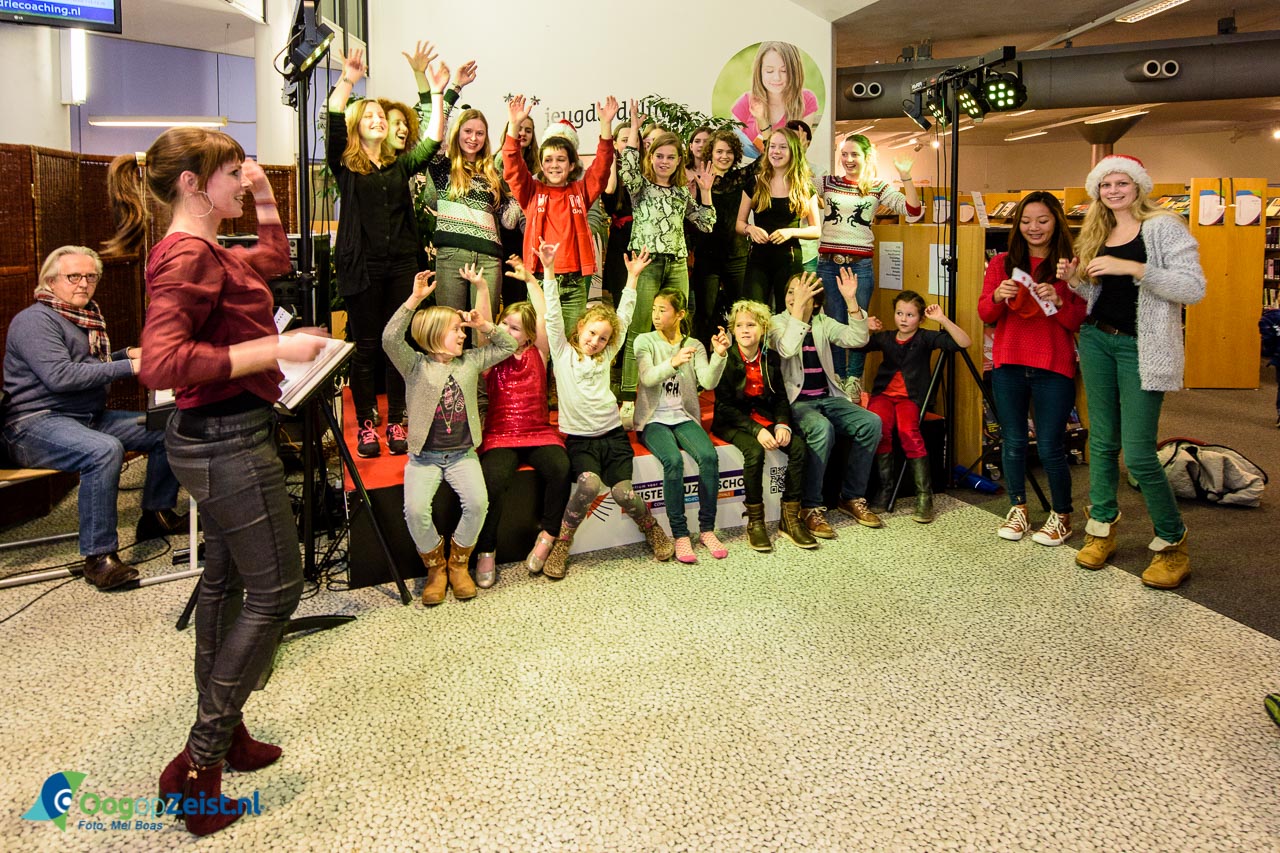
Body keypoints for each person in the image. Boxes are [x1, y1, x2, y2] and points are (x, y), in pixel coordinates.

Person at [108, 127, 328, 836]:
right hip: (225, 440)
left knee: (226, 584)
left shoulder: (207, 249)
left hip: (223, 434)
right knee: (277, 590)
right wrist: (275, 348)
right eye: (232, 172)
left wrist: (264, 195)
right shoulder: (186, 256)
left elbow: (273, 260)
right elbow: (160, 362)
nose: (243, 179)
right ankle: (199, 760)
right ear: (192, 183)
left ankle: (225, 735)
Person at [1058, 154, 1206, 589]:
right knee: (1102, 443)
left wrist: (1135, 267)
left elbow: (1193, 288)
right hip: (1097, 340)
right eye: (1105, 185)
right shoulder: (1097, 230)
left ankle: (1173, 544)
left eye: (1122, 183)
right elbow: (1098, 294)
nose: (1114, 191)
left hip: (1142, 346)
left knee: (1139, 454)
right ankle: (1101, 529)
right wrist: (1075, 280)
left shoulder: (1163, 227)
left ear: (1139, 186)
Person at [2, 245, 182, 590]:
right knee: (103, 450)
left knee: (169, 426)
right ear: (50, 281)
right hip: (33, 424)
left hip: (84, 416)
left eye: (90, 276)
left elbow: (87, 364)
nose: (83, 283)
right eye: (73, 276)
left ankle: (157, 515)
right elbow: (61, 376)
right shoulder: (35, 320)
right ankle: (99, 558)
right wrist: (131, 366)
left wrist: (125, 354)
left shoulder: (83, 317)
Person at [327, 44, 446, 459]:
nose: (379, 120)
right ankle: (366, 424)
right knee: (367, 346)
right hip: (362, 267)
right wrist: (348, 80)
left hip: (401, 267)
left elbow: (432, 140)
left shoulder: (399, 164)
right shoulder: (345, 165)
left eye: (382, 116)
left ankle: (396, 419)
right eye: (371, 116)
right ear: (357, 126)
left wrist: (436, 92)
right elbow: (333, 115)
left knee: (398, 343)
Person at [382, 267, 517, 605]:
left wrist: (482, 325)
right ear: (433, 334)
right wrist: (414, 299)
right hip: (424, 458)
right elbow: (389, 338)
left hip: (462, 454)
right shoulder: (415, 365)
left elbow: (510, 344)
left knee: (478, 504)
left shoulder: (470, 361)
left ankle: (458, 563)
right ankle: (435, 567)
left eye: (461, 330)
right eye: (455, 330)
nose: (461, 335)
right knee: (415, 511)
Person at [540, 242, 674, 578]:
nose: (595, 341)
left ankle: (653, 529)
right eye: (592, 333)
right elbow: (552, 314)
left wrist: (632, 279)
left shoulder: (605, 355)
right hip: (580, 441)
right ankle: (562, 545)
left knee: (623, 492)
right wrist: (548, 269)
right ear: (580, 328)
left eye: (603, 338)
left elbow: (623, 319)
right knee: (587, 485)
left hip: (613, 437)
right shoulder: (562, 353)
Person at [978, 192, 1087, 545]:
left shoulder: (1070, 266)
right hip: (1009, 362)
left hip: (1053, 364)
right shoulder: (1002, 263)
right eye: (1025, 221)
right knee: (1012, 441)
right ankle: (1018, 508)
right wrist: (997, 296)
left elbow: (1078, 321)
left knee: (1051, 445)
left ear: (1056, 222)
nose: (1033, 228)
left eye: (1042, 220)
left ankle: (1062, 515)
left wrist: (1060, 299)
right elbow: (985, 313)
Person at [472, 255, 572, 587]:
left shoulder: (538, 352)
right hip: (501, 434)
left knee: (560, 468)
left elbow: (543, 316)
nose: (504, 330)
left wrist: (532, 281)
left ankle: (548, 535)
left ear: (529, 337)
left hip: (538, 431)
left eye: (514, 328)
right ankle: (486, 549)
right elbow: (483, 323)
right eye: (503, 324)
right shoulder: (491, 355)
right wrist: (482, 287)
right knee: (493, 480)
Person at [618, 101, 716, 426]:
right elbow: (628, 168)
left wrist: (705, 191)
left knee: (678, 328)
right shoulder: (641, 187)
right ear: (651, 157)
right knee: (638, 328)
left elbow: (706, 224)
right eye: (659, 155)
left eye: (671, 157)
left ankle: (677, 392)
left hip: (676, 264)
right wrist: (634, 128)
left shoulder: (681, 193)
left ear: (679, 161)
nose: (664, 161)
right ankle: (628, 397)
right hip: (646, 264)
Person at [771, 270, 882, 538]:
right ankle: (810, 506)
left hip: (827, 397)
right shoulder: (775, 323)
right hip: (796, 402)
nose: (794, 297)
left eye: (803, 293)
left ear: (817, 301)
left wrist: (851, 301)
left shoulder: (822, 321)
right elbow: (787, 348)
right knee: (822, 428)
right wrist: (799, 311)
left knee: (871, 422)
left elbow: (858, 339)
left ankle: (852, 497)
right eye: (791, 292)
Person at [502, 94, 618, 340]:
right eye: (548, 160)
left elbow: (601, 168)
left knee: (571, 342)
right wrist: (513, 127)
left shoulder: (580, 191)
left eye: (561, 159)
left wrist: (606, 126)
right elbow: (512, 168)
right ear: (541, 165)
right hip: (540, 280)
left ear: (572, 164)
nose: (554, 165)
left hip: (574, 282)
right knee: (539, 341)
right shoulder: (531, 192)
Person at [817, 134, 921, 398]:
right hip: (829, 265)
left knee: (859, 323)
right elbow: (795, 184)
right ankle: (837, 379)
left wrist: (906, 178)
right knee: (834, 324)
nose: (848, 160)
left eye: (854, 154)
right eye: (844, 154)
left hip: (859, 266)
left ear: (866, 157)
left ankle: (854, 380)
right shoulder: (828, 182)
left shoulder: (878, 187)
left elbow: (912, 211)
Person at [633, 288, 730, 563]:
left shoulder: (694, 344)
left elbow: (707, 382)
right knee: (673, 461)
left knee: (708, 457)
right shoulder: (644, 341)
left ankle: (707, 530)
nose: (655, 315)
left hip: (683, 416)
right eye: (654, 309)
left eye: (662, 310)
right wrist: (673, 363)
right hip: (653, 419)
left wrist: (719, 355)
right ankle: (680, 534)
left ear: (680, 314)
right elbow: (648, 377)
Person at [712, 298, 814, 552]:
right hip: (733, 421)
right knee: (755, 452)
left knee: (798, 447)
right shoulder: (727, 359)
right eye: (739, 325)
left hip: (763, 417)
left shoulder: (770, 358)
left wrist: (782, 424)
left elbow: (780, 398)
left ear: (763, 329)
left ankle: (790, 517)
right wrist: (756, 431)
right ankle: (755, 521)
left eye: (751, 325)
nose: (745, 330)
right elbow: (724, 407)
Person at [861, 292, 970, 524]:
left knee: (908, 432)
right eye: (899, 313)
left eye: (910, 315)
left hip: (911, 398)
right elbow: (857, 345)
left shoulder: (925, 338)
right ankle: (885, 488)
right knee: (880, 429)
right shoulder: (886, 337)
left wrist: (942, 319)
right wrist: (864, 327)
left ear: (920, 319)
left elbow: (964, 343)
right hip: (883, 396)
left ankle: (924, 495)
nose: (903, 319)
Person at [737, 128, 820, 313]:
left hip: (789, 258)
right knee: (754, 312)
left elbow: (816, 230)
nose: (776, 151)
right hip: (758, 259)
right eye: (772, 146)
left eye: (782, 147)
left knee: (789, 312)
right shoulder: (755, 182)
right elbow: (739, 224)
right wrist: (750, 228)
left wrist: (791, 232)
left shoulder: (804, 185)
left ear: (793, 151)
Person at [731, 41, 820, 158]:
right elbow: (728, 144)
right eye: (769, 71)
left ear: (794, 72)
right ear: (759, 71)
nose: (777, 78)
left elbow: (798, 150)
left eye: (784, 71)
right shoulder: (747, 101)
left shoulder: (806, 100)